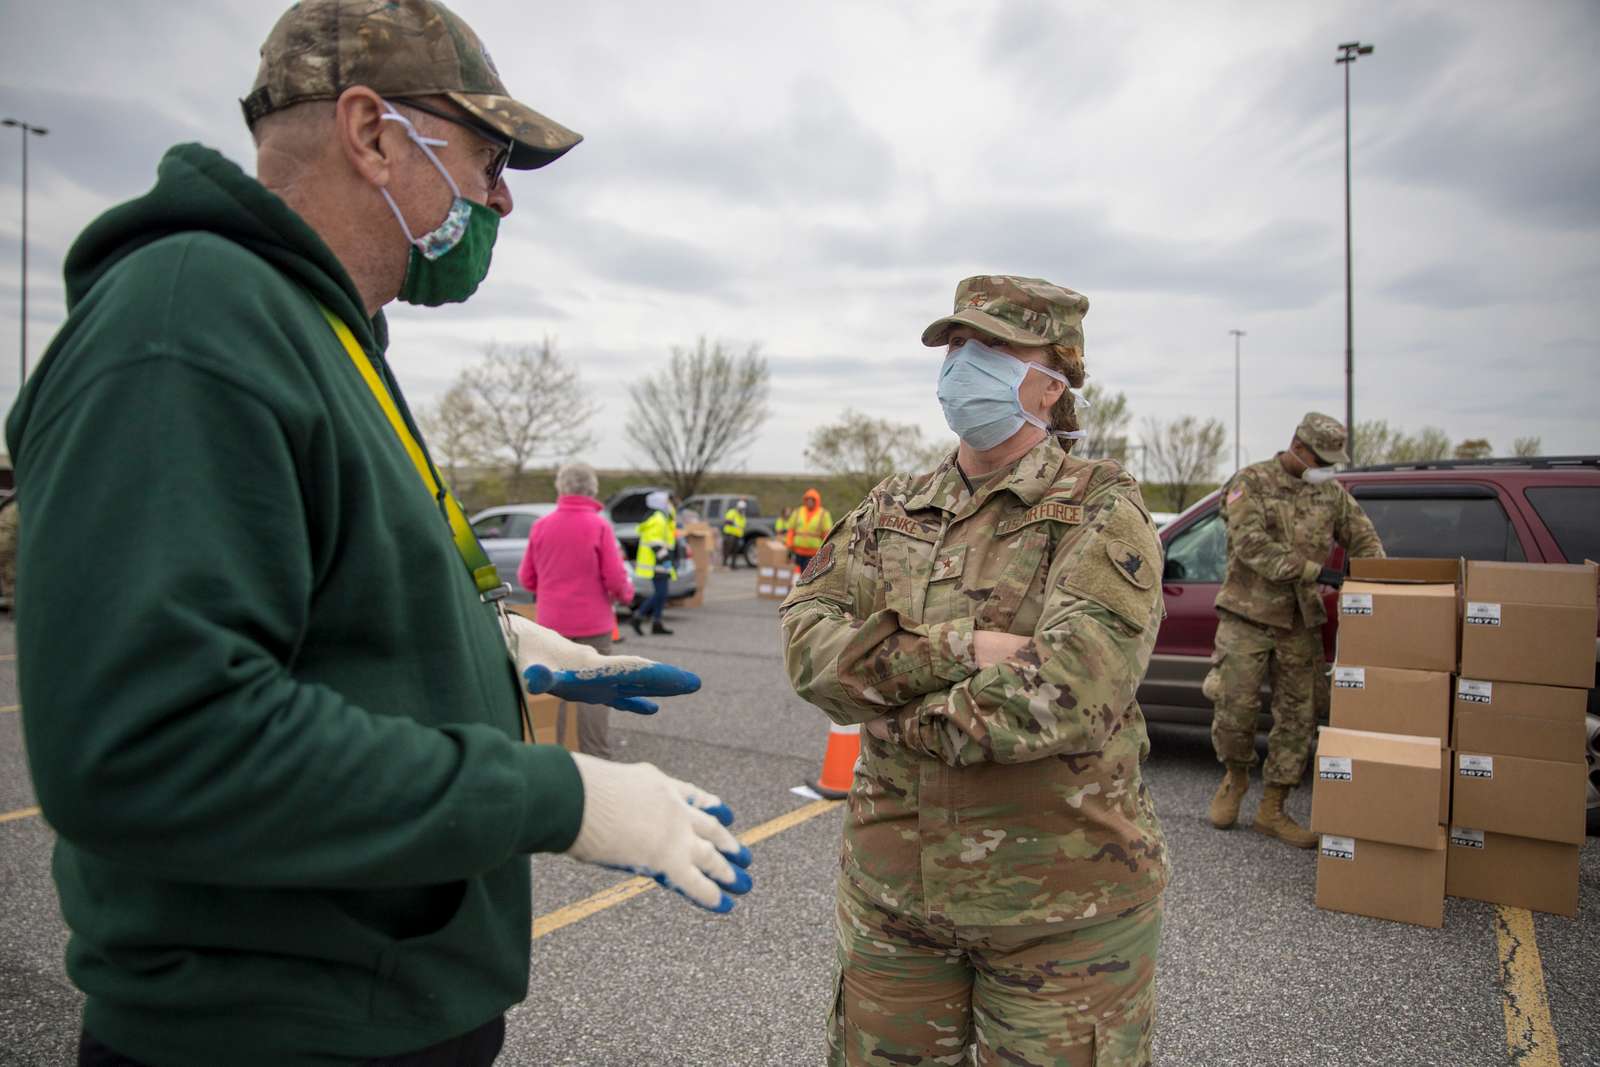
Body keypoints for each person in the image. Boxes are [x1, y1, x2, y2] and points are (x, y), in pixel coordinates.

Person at [5, 3, 751, 1065]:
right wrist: (559, 792)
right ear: (370, 133)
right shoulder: (189, 321)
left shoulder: (320, 332)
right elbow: (152, 744)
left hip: (373, 1006)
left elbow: (328, 601)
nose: (500, 196)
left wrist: (488, 646)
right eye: (489, 158)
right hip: (266, 1031)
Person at [782, 275, 1168, 1065]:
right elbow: (806, 643)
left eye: (992, 348)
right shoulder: (893, 506)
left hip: (1062, 913)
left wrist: (892, 717)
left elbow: (1072, 689)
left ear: (1054, 377)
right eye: (957, 347)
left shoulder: (1099, 507)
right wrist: (956, 650)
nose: (964, 365)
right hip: (894, 902)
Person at [1205, 412, 1385, 846]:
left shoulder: (1330, 494)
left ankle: (1274, 808)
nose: (1327, 467)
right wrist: (1315, 572)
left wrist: (1378, 580)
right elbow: (1250, 546)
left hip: (1300, 622)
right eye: (1322, 458)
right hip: (1247, 616)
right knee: (1235, 709)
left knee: (1297, 718)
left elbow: (1364, 539)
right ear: (1299, 447)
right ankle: (1234, 777)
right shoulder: (1250, 482)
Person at [518, 463, 635, 758]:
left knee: (557, 690)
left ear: (561, 487)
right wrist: (626, 594)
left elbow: (526, 578)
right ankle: (595, 756)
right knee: (595, 691)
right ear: (592, 490)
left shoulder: (541, 527)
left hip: (552, 626)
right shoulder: (599, 527)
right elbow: (615, 578)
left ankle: (559, 755)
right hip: (593, 626)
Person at [631, 490, 677, 636]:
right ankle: (638, 616)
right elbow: (655, 542)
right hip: (658, 562)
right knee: (660, 593)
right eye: (668, 501)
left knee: (662, 594)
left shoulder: (662, 517)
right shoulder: (658, 519)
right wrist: (666, 561)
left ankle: (657, 622)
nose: (670, 504)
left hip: (658, 561)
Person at [783, 487, 833, 573]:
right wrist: (789, 545)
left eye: (812, 500)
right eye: (807, 499)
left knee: (809, 577)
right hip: (797, 552)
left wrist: (826, 552)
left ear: (816, 501)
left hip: (814, 553)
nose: (809, 501)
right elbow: (791, 530)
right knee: (797, 576)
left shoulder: (823, 514)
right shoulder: (798, 512)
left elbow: (827, 534)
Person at [721, 498, 748, 568]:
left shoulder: (743, 516)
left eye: (743, 509)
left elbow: (742, 525)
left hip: (738, 535)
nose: (742, 510)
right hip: (730, 534)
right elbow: (727, 521)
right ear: (738, 507)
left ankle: (733, 564)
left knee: (735, 550)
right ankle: (724, 563)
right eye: (741, 508)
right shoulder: (732, 512)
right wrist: (732, 523)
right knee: (728, 549)